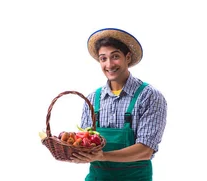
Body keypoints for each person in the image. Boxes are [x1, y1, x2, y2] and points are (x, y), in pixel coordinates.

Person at [69, 28, 168, 181]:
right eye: (103, 58)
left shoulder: (149, 96)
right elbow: (85, 144)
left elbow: (145, 150)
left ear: (127, 57)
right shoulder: (92, 99)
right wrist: (75, 152)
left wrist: (103, 156)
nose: (109, 64)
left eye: (115, 56)